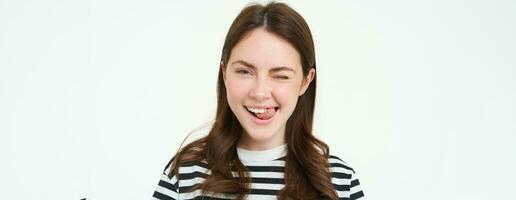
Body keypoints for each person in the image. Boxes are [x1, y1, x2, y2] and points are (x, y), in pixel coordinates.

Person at [152, 2, 365, 200]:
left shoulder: (339, 181)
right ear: (225, 73)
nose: (260, 92)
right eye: (244, 71)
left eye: (281, 75)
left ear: (305, 82)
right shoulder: (185, 175)